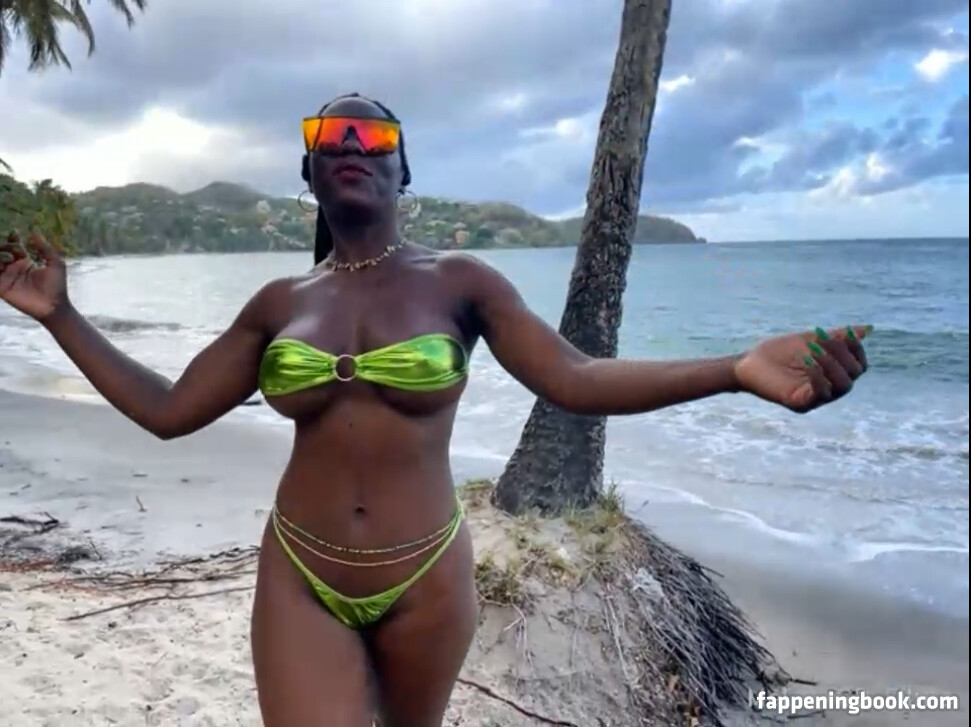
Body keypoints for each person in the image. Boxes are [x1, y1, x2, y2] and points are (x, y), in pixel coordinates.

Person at [0, 93, 871, 727]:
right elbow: (167, 409)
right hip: (300, 573)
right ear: (309, 172)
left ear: (400, 168)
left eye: (373, 134)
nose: (351, 142)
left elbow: (573, 378)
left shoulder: (460, 281)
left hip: (427, 578)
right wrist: (61, 316)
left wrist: (731, 368)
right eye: (329, 135)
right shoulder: (277, 302)